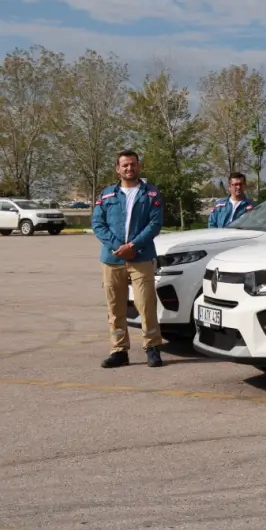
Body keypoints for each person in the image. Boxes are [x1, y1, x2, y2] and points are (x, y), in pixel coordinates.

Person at [92, 149, 166, 368]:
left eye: (133, 164)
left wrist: (133, 246)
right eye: (125, 165)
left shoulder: (151, 193)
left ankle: (152, 347)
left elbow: (155, 223)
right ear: (118, 169)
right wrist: (119, 247)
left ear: (139, 166)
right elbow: (98, 224)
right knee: (115, 307)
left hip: (141, 258)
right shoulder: (107, 195)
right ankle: (119, 350)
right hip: (112, 259)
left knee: (146, 304)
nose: (129, 168)